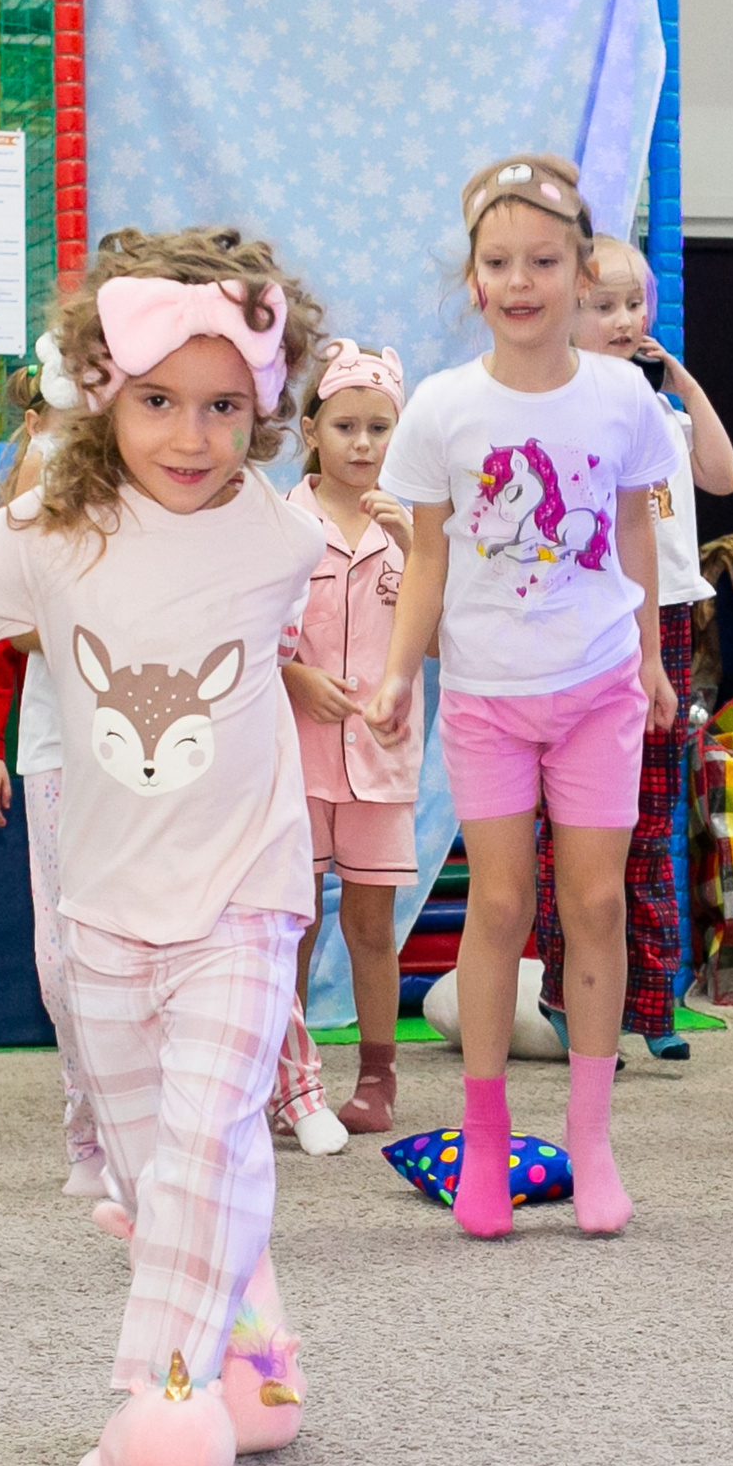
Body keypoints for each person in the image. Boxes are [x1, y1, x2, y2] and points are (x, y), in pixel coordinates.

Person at [0, 228, 331, 1466]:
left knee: (210, 1133)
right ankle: (251, 1332)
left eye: (225, 405)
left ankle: (156, 1424)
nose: (192, 433)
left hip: (244, 890)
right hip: (100, 906)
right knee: (165, 1165)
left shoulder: (281, 535)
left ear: (265, 404)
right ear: (102, 388)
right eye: (160, 399)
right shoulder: (47, 532)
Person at [365, 153, 679, 1240]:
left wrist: (647, 656)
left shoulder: (622, 395)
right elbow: (428, 561)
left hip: (596, 686)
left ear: (579, 266)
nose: (519, 280)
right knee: (499, 904)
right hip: (489, 696)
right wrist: (401, 670)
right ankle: (488, 1138)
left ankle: (590, 1138)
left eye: (542, 260)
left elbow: (636, 527)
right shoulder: (443, 409)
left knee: (591, 902)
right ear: (472, 278)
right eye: (497, 262)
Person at [532, 234, 733, 1061]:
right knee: (576, 824)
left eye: (632, 304)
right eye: (602, 305)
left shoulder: (660, 409)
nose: (622, 320)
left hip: (674, 621)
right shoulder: (559, 408)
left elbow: (721, 477)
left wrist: (679, 379)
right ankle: (566, 992)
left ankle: (651, 1005)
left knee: (654, 816)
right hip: (591, 623)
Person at [0, 362, 135, 1194]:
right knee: (63, 954)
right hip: (59, 752)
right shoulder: (25, 508)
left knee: (133, 939)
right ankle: (86, 1119)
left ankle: (137, 1117)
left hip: (143, 750)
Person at [270, 339, 417, 1138]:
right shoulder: (281, 525)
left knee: (370, 923)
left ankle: (377, 1076)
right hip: (293, 758)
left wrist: (424, 550)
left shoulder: (412, 526)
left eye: (380, 428)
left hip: (382, 759)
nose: (363, 445)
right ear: (312, 430)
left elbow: (439, 637)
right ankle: (281, 1077)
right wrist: (296, 680)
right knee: (292, 921)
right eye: (347, 426)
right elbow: (249, 635)